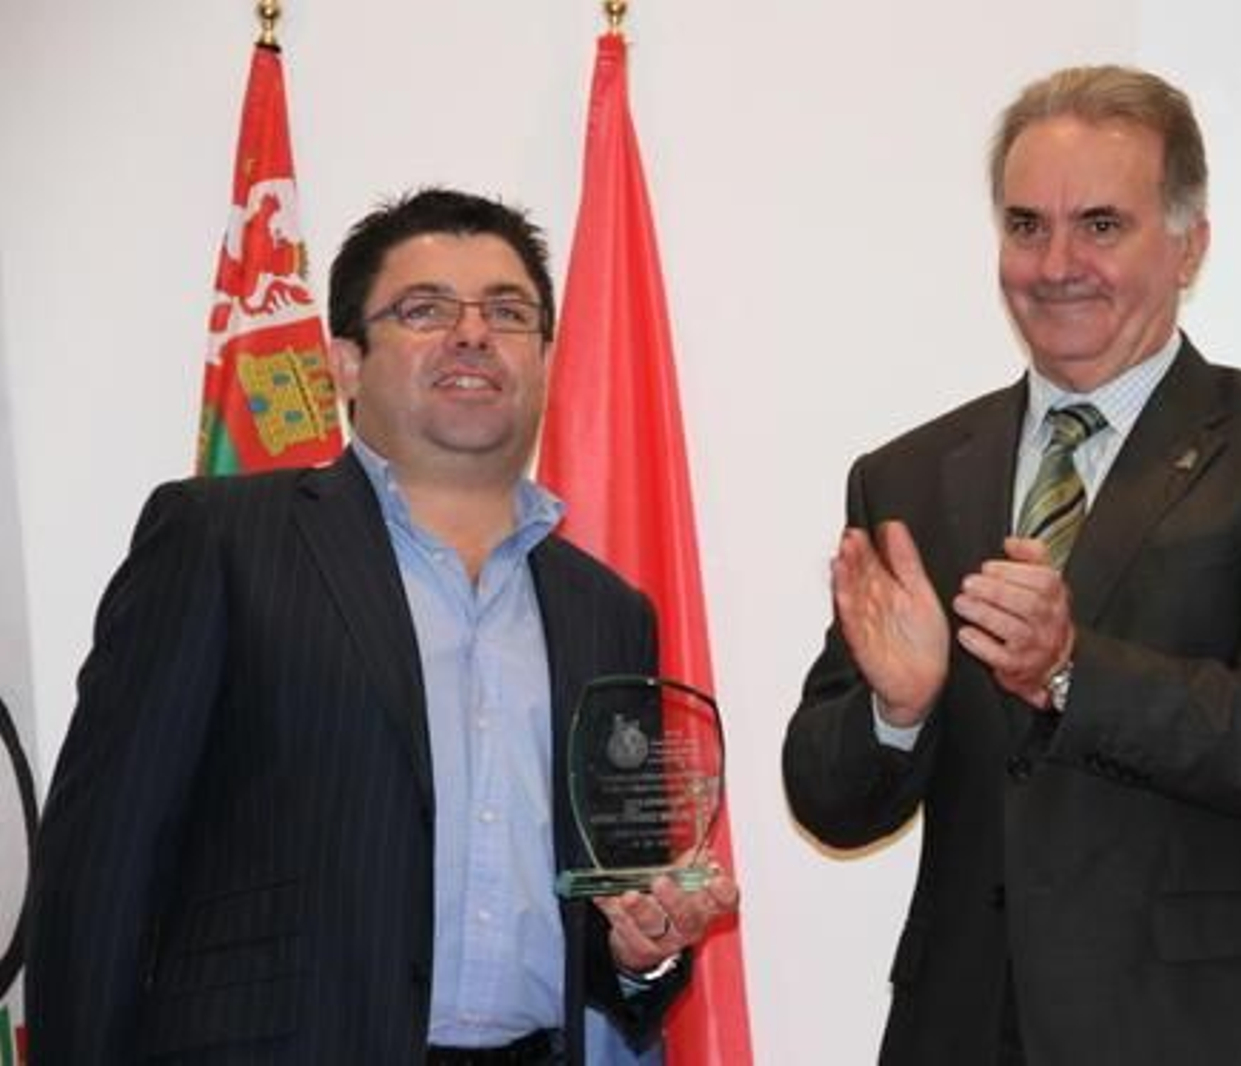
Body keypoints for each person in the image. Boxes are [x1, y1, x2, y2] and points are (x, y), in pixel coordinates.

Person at [25, 188, 738, 1065]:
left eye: (507, 312)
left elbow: (608, 916)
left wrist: (640, 953)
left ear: (545, 358)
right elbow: (99, 867)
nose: (472, 334)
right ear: (346, 363)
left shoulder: (609, 614)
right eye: (425, 308)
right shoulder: (221, 542)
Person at [783, 64, 1241, 1065]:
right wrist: (897, 711)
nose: (1055, 262)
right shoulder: (906, 475)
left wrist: (1069, 672)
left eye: (1101, 225)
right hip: (969, 1030)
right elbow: (830, 799)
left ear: (1189, 244)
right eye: (1026, 226)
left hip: (1217, 1036)